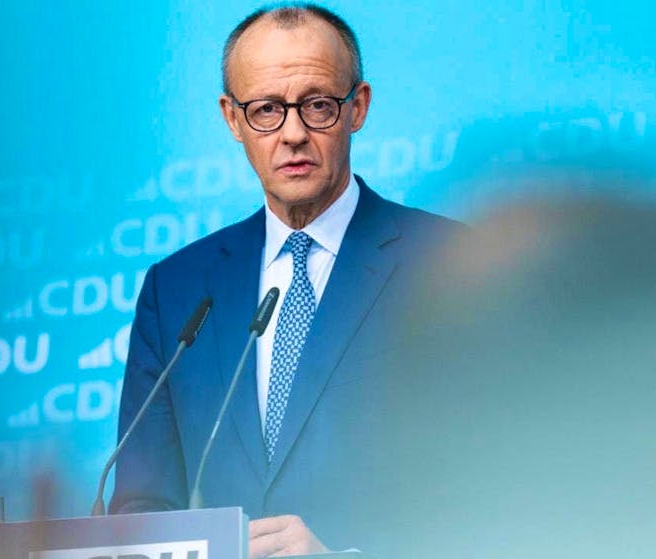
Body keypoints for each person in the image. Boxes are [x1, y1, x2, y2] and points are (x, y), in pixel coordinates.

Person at [111, 4, 461, 555]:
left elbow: (502, 492)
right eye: (267, 110)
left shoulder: (448, 264)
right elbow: (142, 509)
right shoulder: (176, 289)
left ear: (358, 107)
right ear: (232, 119)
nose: (293, 133)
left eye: (318, 105)